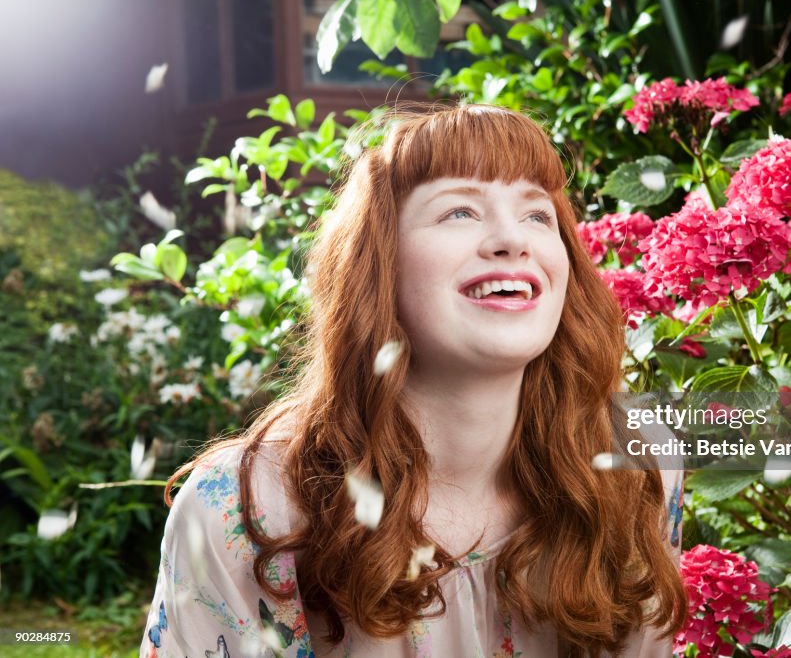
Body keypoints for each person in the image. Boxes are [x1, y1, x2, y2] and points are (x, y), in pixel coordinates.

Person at [140, 104, 687, 658]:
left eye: (537, 215)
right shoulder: (249, 507)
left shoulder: (642, 465)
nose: (512, 240)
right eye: (459, 213)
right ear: (379, 265)